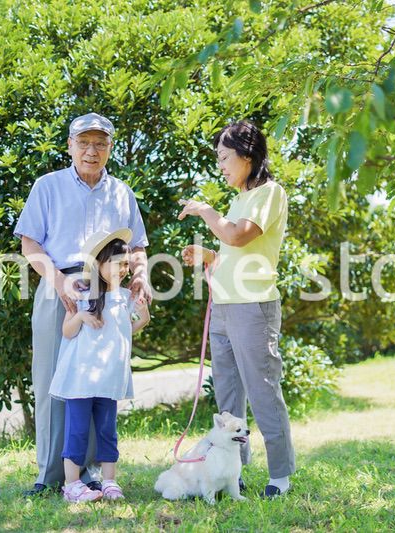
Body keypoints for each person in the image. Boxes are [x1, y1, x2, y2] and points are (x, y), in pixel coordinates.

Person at [14, 113, 151, 496]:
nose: (92, 150)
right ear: (70, 146)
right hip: (58, 283)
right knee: (52, 382)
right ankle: (49, 475)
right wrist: (58, 282)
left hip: (107, 290)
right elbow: (30, 245)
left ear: (110, 148)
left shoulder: (122, 192)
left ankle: (89, 474)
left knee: (98, 380)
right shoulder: (48, 186)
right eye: (84, 142)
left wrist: (140, 274)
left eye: (100, 143)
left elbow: (137, 246)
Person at [178, 120, 295, 498]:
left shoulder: (269, 193)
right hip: (225, 308)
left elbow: (238, 234)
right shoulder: (240, 198)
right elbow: (234, 247)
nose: (221, 166)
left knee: (263, 392)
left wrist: (206, 211)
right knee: (228, 399)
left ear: (247, 155)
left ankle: (280, 476)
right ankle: (234, 472)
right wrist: (210, 255)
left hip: (252, 308)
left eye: (225, 157)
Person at [49, 229, 149, 503]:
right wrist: (81, 315)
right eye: (117, 263)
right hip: (80, 378)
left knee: (107, 430)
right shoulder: (81, 295)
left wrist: (144, 313)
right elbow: (67, 332)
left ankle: (109, 481)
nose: (123, 269)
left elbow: (131, 326)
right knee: (77, 430)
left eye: (126, 264)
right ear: (98, 264)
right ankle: (72, 484)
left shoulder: (127, 296)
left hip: (109, 377)